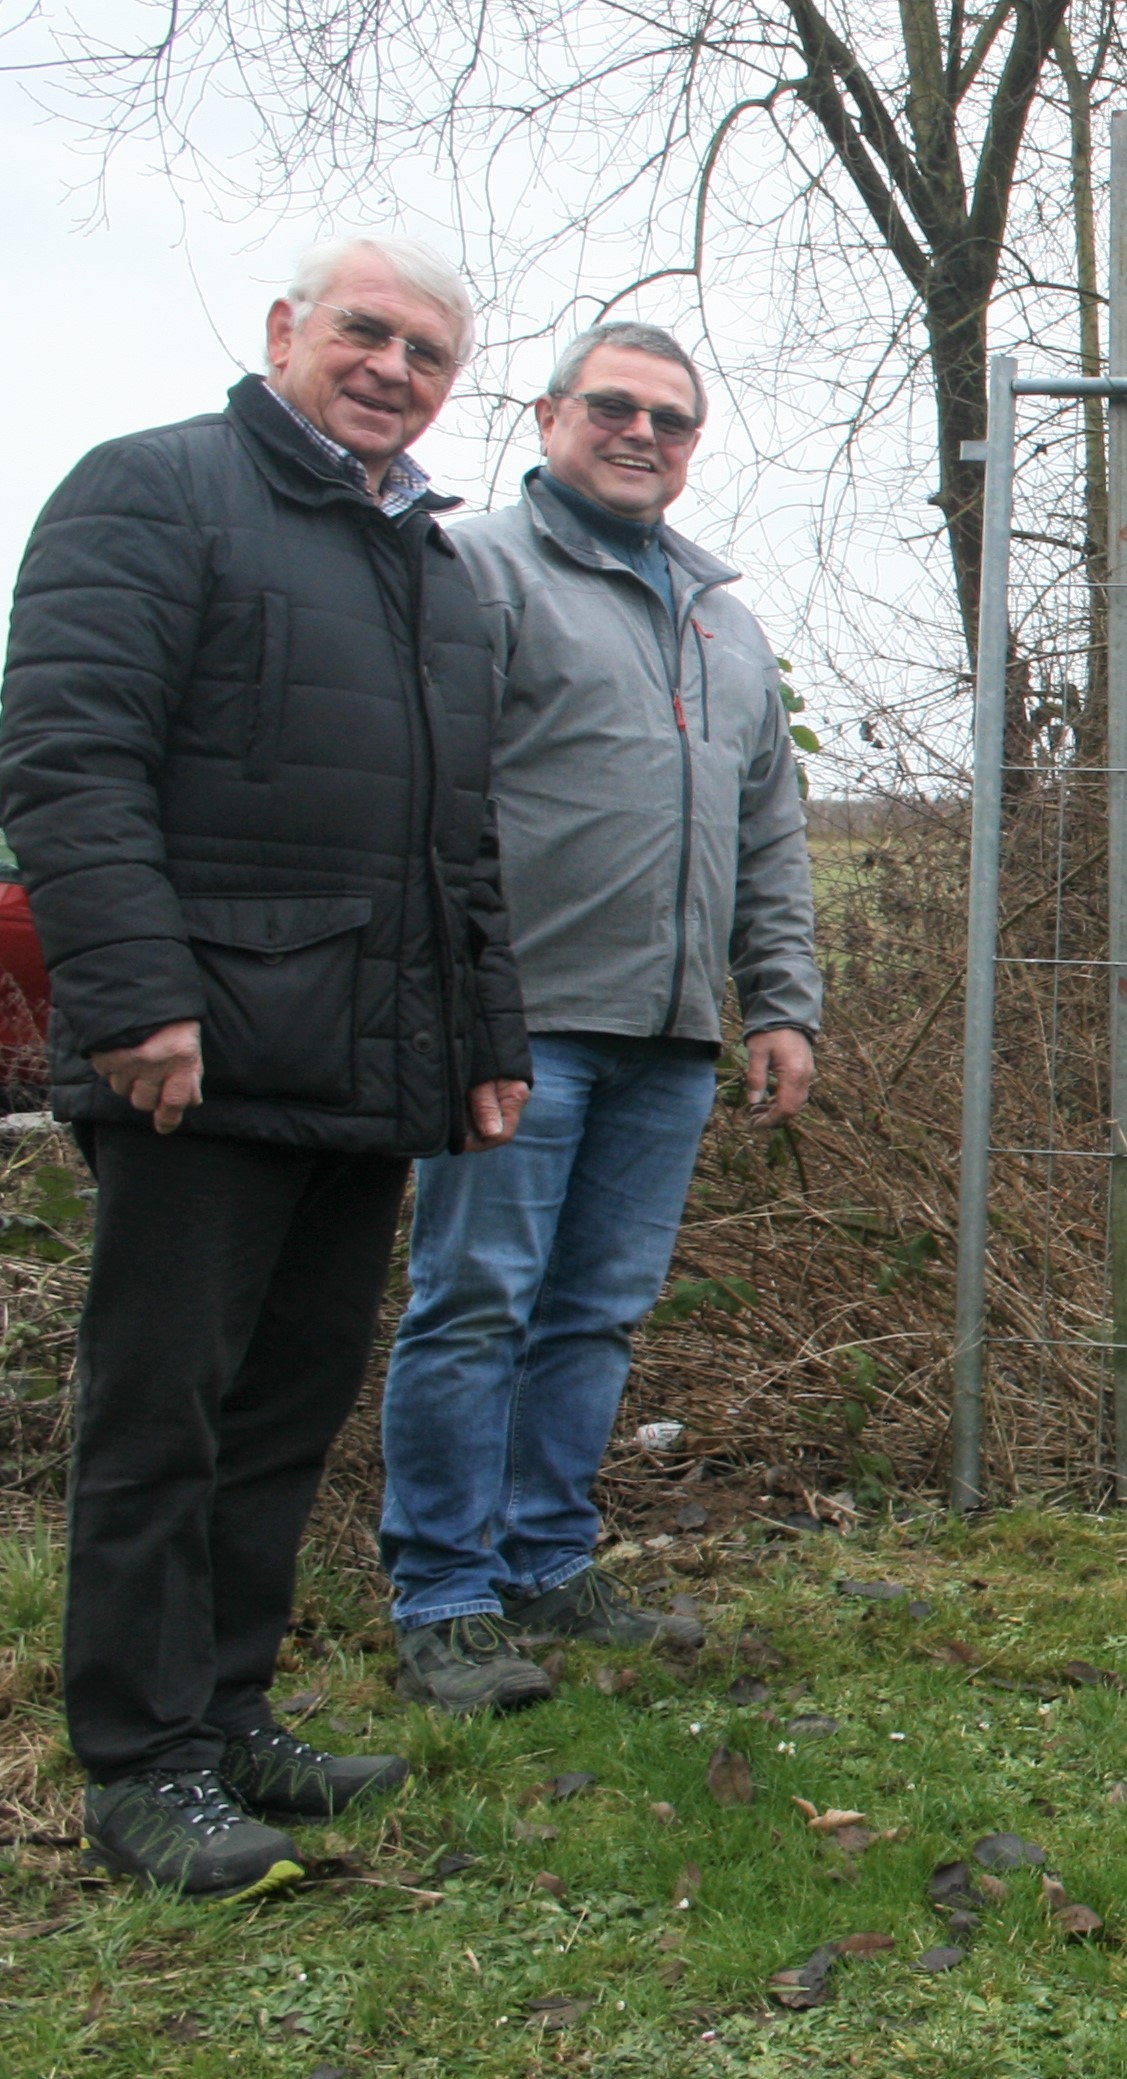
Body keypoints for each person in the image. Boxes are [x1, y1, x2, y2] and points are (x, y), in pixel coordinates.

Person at [0, 235, 532, 1897]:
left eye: (428, 354)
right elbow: (68, 761)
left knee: (287, 1411)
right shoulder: (152, 493)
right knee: (162, 1418)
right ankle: (142, 1762)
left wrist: (488, 1039)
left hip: (366, 1067)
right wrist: (133, 999)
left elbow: (458, 842)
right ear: (288, 331)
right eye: (365, 333)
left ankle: (230, 1712)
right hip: (200, 1056)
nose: (392, 368)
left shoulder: (433, 569)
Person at [375, 322, 820, 1713]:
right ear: (552, 414)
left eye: (672, 421)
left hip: (671, 1035)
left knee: (597, 1313)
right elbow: (420, 803)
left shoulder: (723, 618)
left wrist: (781, 1001)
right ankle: (444, 1590)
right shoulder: (474, 571)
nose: (643, 434)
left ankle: (549, 1561)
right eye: (614, 408)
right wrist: (456, 992)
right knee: (473, 1303)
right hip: (516, 1026)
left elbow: (770, 828)